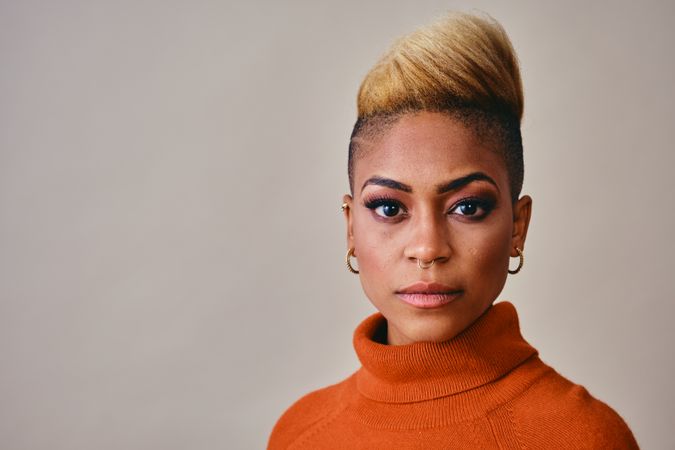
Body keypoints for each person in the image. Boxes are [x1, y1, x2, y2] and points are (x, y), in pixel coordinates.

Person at [267, 11, 638, 449]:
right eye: (389, 207)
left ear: (518, 226)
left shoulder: (582, 437)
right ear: (350, 227)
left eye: (467, 207)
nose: (428, 248)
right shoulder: (299, 432)